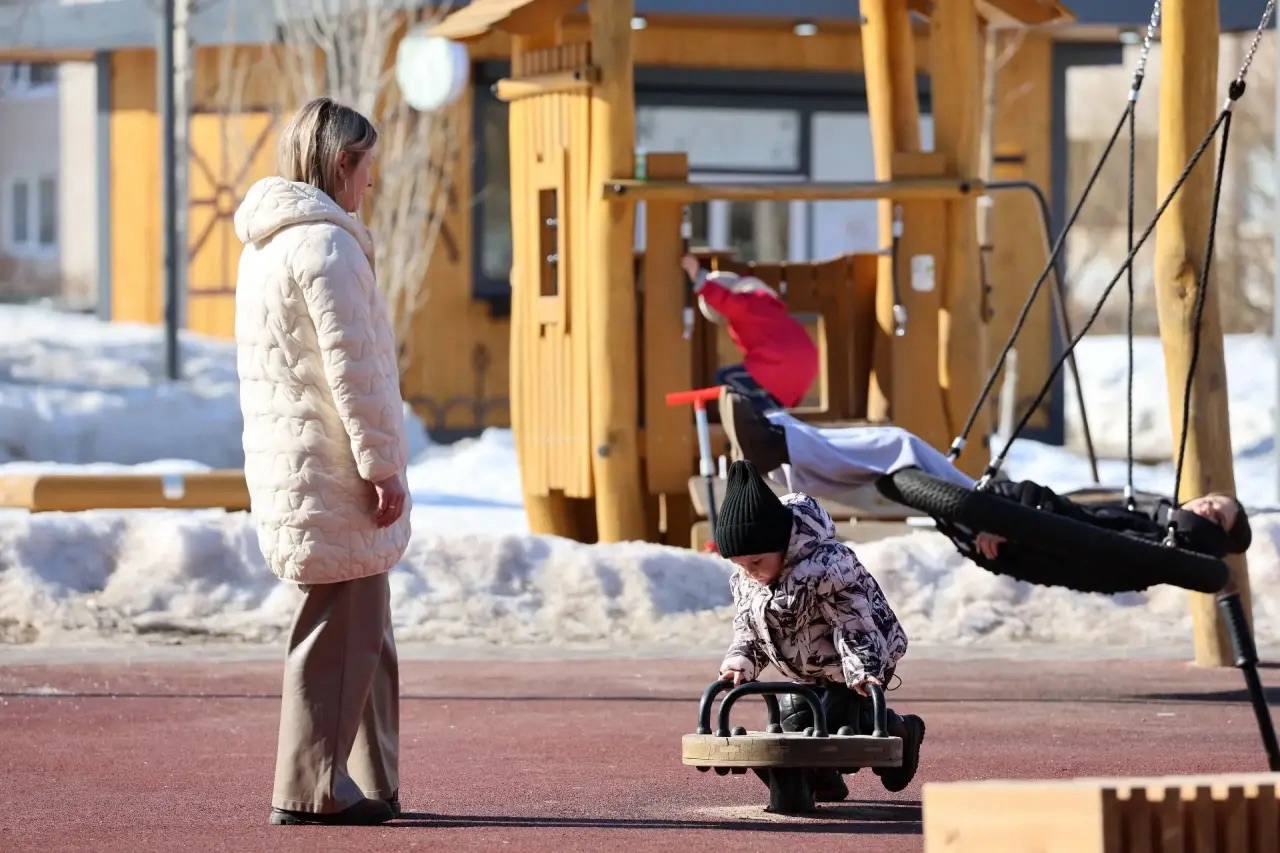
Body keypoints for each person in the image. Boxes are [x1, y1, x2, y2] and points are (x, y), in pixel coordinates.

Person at [235, 97, 411, 827]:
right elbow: (355, 370)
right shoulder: (329, 247)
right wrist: (382, 464)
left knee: (363, 627)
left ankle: (373, 777)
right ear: (344, 163)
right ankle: (310, 787)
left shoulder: (266, 245)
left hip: (293, 461)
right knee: (340, 628)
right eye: (368, 169)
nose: (371, 186)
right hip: (334, 468)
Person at [719, 387, 1253, 560]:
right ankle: (782, 451)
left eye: (1217, 515)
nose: (1207, 504)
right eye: (1213, 499)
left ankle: (779, 440)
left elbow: (1081, 536)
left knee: (898, 445)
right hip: (1006, 507)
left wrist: (1010, 529)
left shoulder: (1162, 534)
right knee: (883, 468)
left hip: (1005, 515)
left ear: (1215, 534)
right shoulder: (1158, 516)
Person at [716, 460, 927, 800]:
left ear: (782, 544)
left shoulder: (828, 567)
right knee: (791, 725)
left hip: (859, 658)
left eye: (756, 562)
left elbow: (853, 622)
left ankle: (902, 732)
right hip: (806, 668)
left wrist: (861, 669)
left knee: (839, 725)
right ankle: (819, 780)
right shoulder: (748, 581)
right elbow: (750, 629)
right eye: (740, 565)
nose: (750, 572)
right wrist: (740, 661)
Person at [682, 254, 819, 410]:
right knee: (772, 395)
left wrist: (698, 276)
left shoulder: (746, 304)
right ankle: (775, 415)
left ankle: (761, 417)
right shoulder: (767, 306)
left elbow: (724, 300)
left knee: (726, 378)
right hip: (806, 364)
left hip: (779, 362)